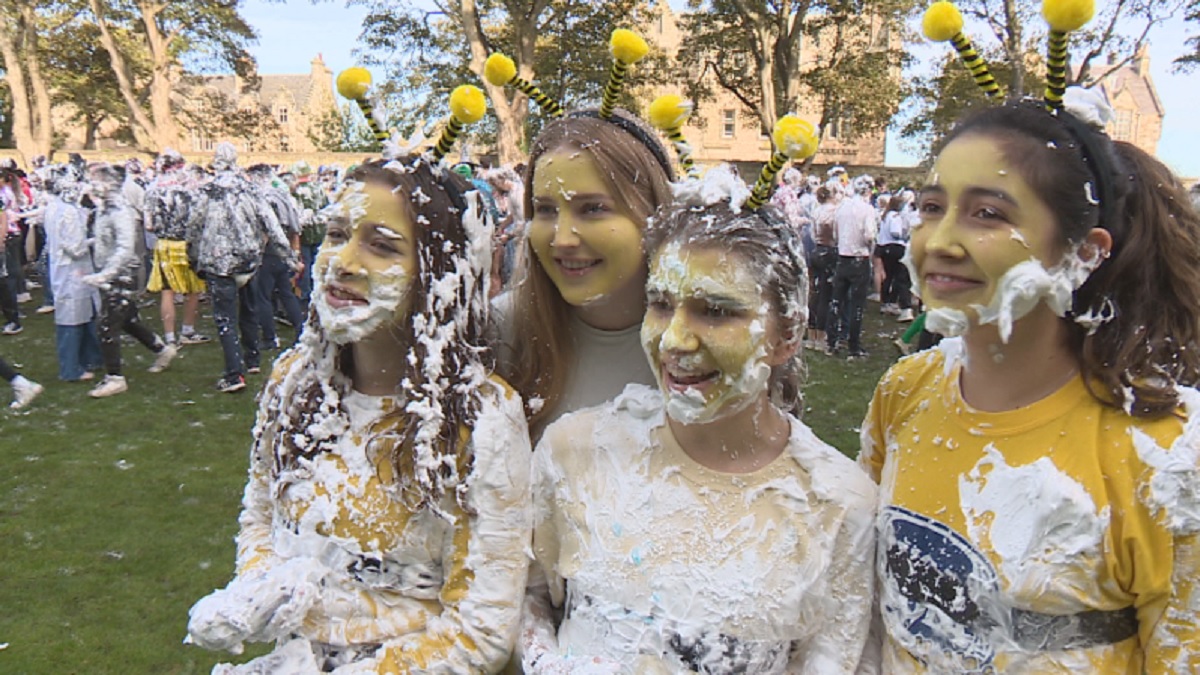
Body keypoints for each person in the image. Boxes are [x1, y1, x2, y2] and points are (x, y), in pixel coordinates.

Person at [860, 99, 1200, 671]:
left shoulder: (1165, 455)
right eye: (931, 206)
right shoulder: (907, 390)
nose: (939, 240)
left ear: (1083, 252)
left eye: (988, 214)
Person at [522, 168, 877, 672]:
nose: (673, 341)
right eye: (661, 305)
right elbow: (529, 600)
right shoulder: (574, 452)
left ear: (787, 334)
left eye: (715, 312)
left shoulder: (837, 505)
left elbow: (834, 660)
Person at [186, 156, 533, 673]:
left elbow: (480, 631)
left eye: (382, 245)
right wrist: (259, 589)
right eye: (335, 233)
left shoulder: (481, 419)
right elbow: (260, 513)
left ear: (438, 274)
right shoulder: (292, 383)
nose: (342, 261)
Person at [492, 111, 675, 437]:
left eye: (593, 209)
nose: (562, 239)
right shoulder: (499, 333)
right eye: (545, 210)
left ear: (654, 214)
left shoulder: (705, 336)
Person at [185, 143, 294, 392]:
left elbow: (192, 227)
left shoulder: (207, 191)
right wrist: (288, 256)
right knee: (249, 309)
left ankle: (234, 374)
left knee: (225, 319)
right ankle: (252, 358)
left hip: (218, 262)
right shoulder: (250, 189)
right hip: (249, 260)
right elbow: (271, 224)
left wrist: (192, 255)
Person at [82, 163, 177, 398]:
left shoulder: (120, 211)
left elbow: (125, 248)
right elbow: (106, 239)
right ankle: (161, 349)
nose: (93, 185)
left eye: (99, 179)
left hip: (122, 275)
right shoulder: (105, 209)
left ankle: (115, 378)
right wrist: (85, 245)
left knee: (106, 324)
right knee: (126, 320)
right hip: (111, 272)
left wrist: (106, 275)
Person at [42, 165, 102, 382]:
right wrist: (97, 239)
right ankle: (70, 368)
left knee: (85, 314)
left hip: (69, 269)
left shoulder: (54, 207)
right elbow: (75, 247)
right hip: (71, 271)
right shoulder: (67, 212)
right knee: (72, 320)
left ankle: (91, 357)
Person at [144, 149, 209, 346]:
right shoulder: (189, 189)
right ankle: (187, 331)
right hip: (186, 244)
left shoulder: (152, 190)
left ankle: (170, 337)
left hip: (163, 244)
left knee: (167, 291)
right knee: (193, 289)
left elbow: (149, 225)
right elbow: (199, 218)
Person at [825, 174, 877, 358]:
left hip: (842, 256)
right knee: (856, 305)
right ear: (868, 190)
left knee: (836, 301)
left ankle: (832, 341)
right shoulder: (867, 209)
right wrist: (868, 247)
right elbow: (869, 235)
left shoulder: (841, 208)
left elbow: (835, 232)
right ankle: (854, 346)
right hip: (859, 258)